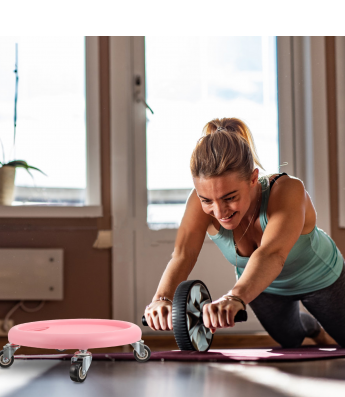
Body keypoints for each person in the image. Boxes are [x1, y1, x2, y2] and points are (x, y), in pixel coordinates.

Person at [144, 117, 345, 348]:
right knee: (290, 339)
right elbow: (182, 254)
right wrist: (162, 299)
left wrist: (233, 297)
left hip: (320, 277)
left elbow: (272, 254)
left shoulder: (288, 190)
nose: (218, 211)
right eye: (207, 200)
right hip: (262, 286)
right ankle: (311, 327)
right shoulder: (199, 203)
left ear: (252, 178)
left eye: (230, 198)